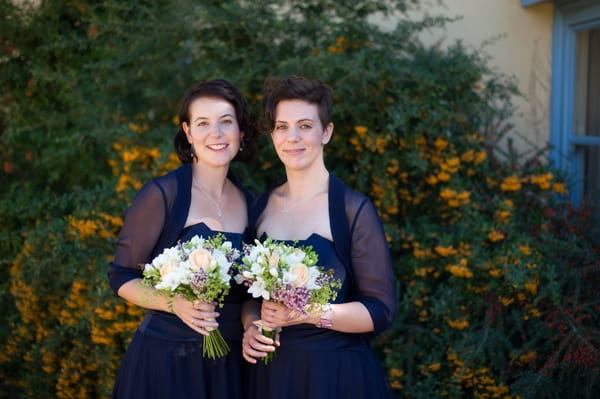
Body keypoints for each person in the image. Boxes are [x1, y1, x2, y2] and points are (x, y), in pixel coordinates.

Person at [241, 75, 396, 398]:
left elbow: (380, 311)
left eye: (305, 126)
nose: (292, 138)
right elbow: (249, 298)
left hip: (336, 377)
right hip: (272, 379)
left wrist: (305, 313)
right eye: (282, 127)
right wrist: (251, 325)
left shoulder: (353, 210)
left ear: (326, 132)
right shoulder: (260, 207)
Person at [108, 79, 258, 398]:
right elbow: (122, 277)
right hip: (165, 364)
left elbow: (249, 296)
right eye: (203, 123)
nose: (215, 133)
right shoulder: (163, 194)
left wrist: (254, 323)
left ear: (241, 132)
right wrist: (174, 303)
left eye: (226, 122)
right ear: (188, 133)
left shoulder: (251, 203)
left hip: (230, 367)